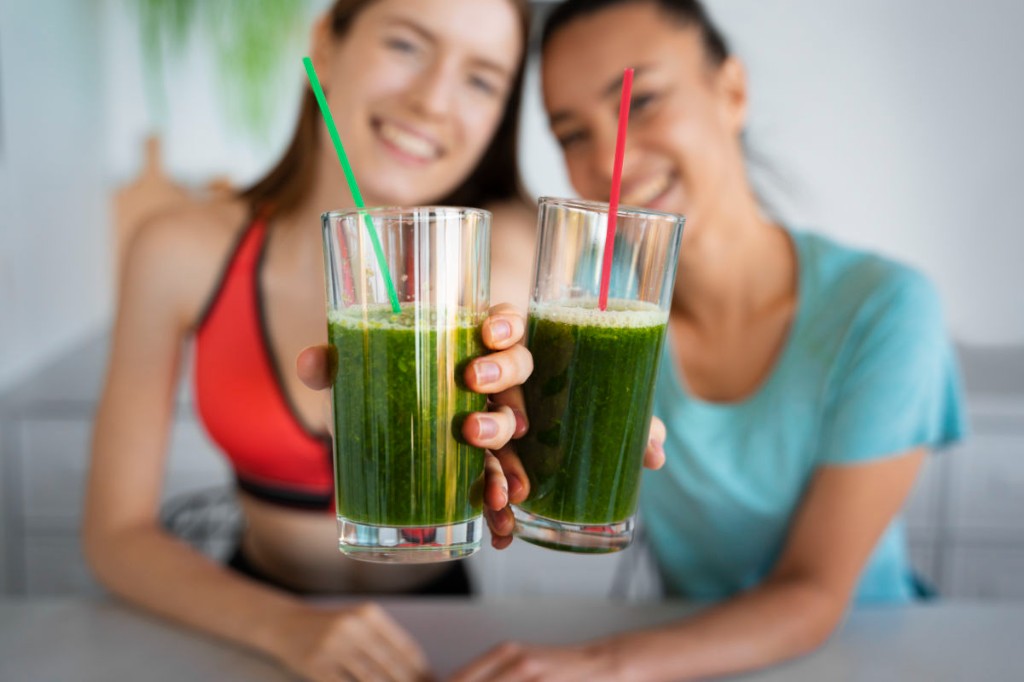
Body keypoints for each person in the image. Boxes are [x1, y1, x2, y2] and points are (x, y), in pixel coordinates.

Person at [451, 1, 968, 680]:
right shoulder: (582, 306)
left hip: (862, 653)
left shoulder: (886, 308)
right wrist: (487, 365)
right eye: (571, 133)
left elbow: (812, 593)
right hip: (685, 644)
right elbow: (510, 280)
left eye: (642, 101)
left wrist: (603, 666)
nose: (610, 158)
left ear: (732, 92)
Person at [83, 1, 535, 681]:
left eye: (481, 78)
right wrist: (287, 628)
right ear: (325, 46)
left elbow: (563, 435)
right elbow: (115, 536)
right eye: (408, 45)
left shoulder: (515, 259)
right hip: (247, 625)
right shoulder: (180, 250)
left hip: (444, 637)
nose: (434, 100)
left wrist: (552, 428)